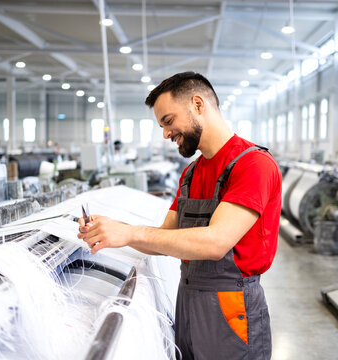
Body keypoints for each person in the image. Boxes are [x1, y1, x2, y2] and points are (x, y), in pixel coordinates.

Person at [78, 71, 282, 359]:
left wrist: (130, 233)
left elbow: (215, 242)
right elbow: (167, 237)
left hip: (230, 306)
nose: (165, 133)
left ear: (198, 104)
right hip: (187, 301)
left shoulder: (253, 165)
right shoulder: (191, 173)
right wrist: (113, 230)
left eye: (169, 121)